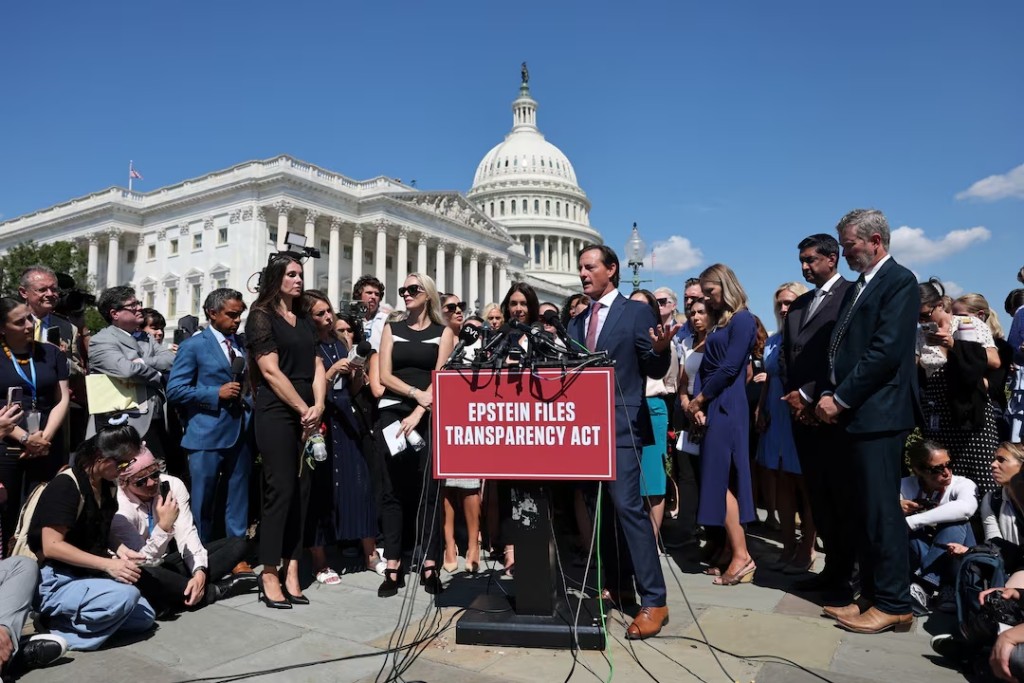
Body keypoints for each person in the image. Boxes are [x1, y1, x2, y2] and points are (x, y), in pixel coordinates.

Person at [814, 208, 919, 634]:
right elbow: (844, 347)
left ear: (875, 241)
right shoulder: (862, 284)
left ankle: (895, 602)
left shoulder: (899, 281)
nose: (844, 251)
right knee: (863, 512)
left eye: (850, 243)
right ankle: (873, 596)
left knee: (881, 513)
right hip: (856, 415)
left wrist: (840, 397)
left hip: (878, 415)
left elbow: (885, 351)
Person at [569, 245, 677, 640]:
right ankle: (617, 584)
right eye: (580, 268)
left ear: (612, 269)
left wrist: (661, 349)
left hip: (623, 425)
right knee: (600, 511)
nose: (583, 274)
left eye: (590, 267)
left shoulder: (634, 312)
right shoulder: (577, 322)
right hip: (587, 431)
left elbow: (651, 363)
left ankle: (655, 599)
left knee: (629, 507)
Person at [245, 254, 326, 608]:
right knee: (281, 490)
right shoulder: (261, 316)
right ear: (276, 278)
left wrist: (318, 406)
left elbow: (318, 364)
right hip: (278, 411)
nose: (298, 280)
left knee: (304, 492)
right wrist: (302, 408)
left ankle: (293, 568)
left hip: (309, 410)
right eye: (291, 274)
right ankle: (268, 572)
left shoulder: (305, 318)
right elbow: (271, 371)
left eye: (301, 274)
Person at [29, 425, 156, 651]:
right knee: (126, 597)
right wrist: (109, 565)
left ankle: (73, 622)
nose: (125, 470)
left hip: (86, 575)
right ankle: (56, 631)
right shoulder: (66, 485)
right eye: (122, 464)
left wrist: (120, 549)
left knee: (144, 617)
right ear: (100, 457)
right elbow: (52, 546)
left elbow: (98, 531)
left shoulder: (107, 486)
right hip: (56, 578)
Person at [779, 233, 854, 595]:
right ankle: (831, 572)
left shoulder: (851, 296)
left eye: (811, 260)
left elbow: (842, 355)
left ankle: (848, 575)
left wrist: (811, 395)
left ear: (832, 258)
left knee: (841, 496)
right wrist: (793, 398)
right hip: (800, 415)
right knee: (817, 495)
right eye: (802, 262)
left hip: (831, 411)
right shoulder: (800, 305)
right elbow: (787, 357)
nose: (805, 267)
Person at [375, 273, 455, 597]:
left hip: (428, 416)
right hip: (393, 413)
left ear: (428, 294)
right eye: (403, 290)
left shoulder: (444, 333)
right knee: (393, 488)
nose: (406, 294)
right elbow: (383, 375)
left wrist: (421, 408)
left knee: (429, 490)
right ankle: (393, 565)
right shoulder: (391, 329)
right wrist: (414, 394)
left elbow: (442, 376)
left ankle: (429, 563)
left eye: (412, 289)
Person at [109, 446, 254, 616]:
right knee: (146, 575)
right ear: (124, 483)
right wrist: (164, 527)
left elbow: (187, 534)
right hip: (139, 569)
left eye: (154, 475)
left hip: (166, 564)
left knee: (237, 545)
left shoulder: (172, 485)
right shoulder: (120, 509)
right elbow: (142, 561)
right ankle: (214, 591)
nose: (150, 483)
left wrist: (199, 573)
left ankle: (174, 595)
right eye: (140, 481)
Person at [684, 264, 758, 587]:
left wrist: (700, 399)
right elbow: (706, 365)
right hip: (714, 402)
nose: (707, 298)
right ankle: (733, 551)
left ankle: (742, 555)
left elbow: (730, 368)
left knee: (721, 479)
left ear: (725, 285)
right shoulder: (719, 322)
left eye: (710, 291)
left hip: (729, 403)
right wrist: (698, 405)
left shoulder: (743, 319)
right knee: (720, 478)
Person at [301, 290, 379, 585]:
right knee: (320, 491)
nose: (328, 317)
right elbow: (309, 389)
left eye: (328, 311)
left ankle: (370, 554)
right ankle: (320, 561)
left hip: (346, 419)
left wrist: (357, 372)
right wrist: (332, 371)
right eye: (320, 314)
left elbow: (354, 389)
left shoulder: (338, 342)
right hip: (320, 421)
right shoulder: (307, 346)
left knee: (358, 485)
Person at [165, 288, 253, 546]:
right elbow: (175, 390)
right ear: (212, 313)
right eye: (232, 315)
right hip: (205, 434)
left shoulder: (241, 345)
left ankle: (236, 552)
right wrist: (216, 393)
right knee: (203, 500)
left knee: (238, 497)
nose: (237, 321)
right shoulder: (193, 346)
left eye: (239, 315)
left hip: (240, 432)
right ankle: (200, 552)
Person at [917, 278, 1000, 494]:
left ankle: (988, 523)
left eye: (926, 314)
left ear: (940, 306)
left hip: (969, 406)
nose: (922, 321)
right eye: (917, 317)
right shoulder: (919, 335)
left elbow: (994, 360)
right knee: (945, 475)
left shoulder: (968, 325)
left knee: (982, 474)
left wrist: (953, 345)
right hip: (938, 409)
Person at [0, 297, 71, 549]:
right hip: (8, 444)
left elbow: (61, 398)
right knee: (8, 510)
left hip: (47, 444)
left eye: (29, 318)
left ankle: (38, 561)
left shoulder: (50, 353)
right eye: (19, 322)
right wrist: (25, 438)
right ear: (3, 328)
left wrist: (44, 439)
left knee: (43, 505)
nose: (29, 325)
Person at [756, 282, 814, 574]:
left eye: (789, 302)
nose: (783, 308)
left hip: (800, 413)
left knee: (805, 483)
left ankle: (808, 547)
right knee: (781, 483)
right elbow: (768, 376)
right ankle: (788, 543)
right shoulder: (773, 340)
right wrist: (760, 408)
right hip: (775, 414)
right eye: (779, 303)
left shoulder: (810, 336)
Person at [87, 286, 177, 464]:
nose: (139, 308)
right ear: (115, 313)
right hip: (123, 425)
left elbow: (170, 359)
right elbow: (126, 370)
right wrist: (156, 373)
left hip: (157, 419)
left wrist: (143, 362)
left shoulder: (146, 338)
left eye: (138, 303)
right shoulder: (101, 340)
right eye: (133, 305)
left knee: (157, 471)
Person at [899, 440, 977, 614]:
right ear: (918, 470)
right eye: (937, 469)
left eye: (949, 465)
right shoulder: (905, 486)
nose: (947, 473)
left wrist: (913, 521)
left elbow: (966, 508)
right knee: (898, 523)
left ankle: (925, 584)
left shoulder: (963, 484)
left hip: (956, 558)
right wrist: (896, 509)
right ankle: (943, 587)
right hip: (919, 553)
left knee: (957, 522)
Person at [439, 293, 481, 575]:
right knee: (447, 486)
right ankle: (449, 543)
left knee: (470, 485)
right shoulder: (440, 341)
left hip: (469, 417)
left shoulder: (473, 341)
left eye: (460, 307)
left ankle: (474, 543)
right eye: (451, 307)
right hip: (444, 415)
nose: (458, 311)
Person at [630, 289, 677, 540]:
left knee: (653, 480)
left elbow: (671, 379)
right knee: (631, 480)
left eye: (642, 306)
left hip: (652, 405)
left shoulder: (661, 339)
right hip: (627, 409)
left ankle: (652, 538)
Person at [954, 293, 1014, 441]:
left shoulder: (1001, 348)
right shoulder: (955, 343)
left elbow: (995, 386)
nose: (955, 321)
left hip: (989, 409)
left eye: (960, 317)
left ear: (980, 316)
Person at [353, 275, 388, 350]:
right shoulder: (350, 321)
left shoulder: (386, 321)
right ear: (359, 296)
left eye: (377, 294)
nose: (373, 297)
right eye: (369, 293)